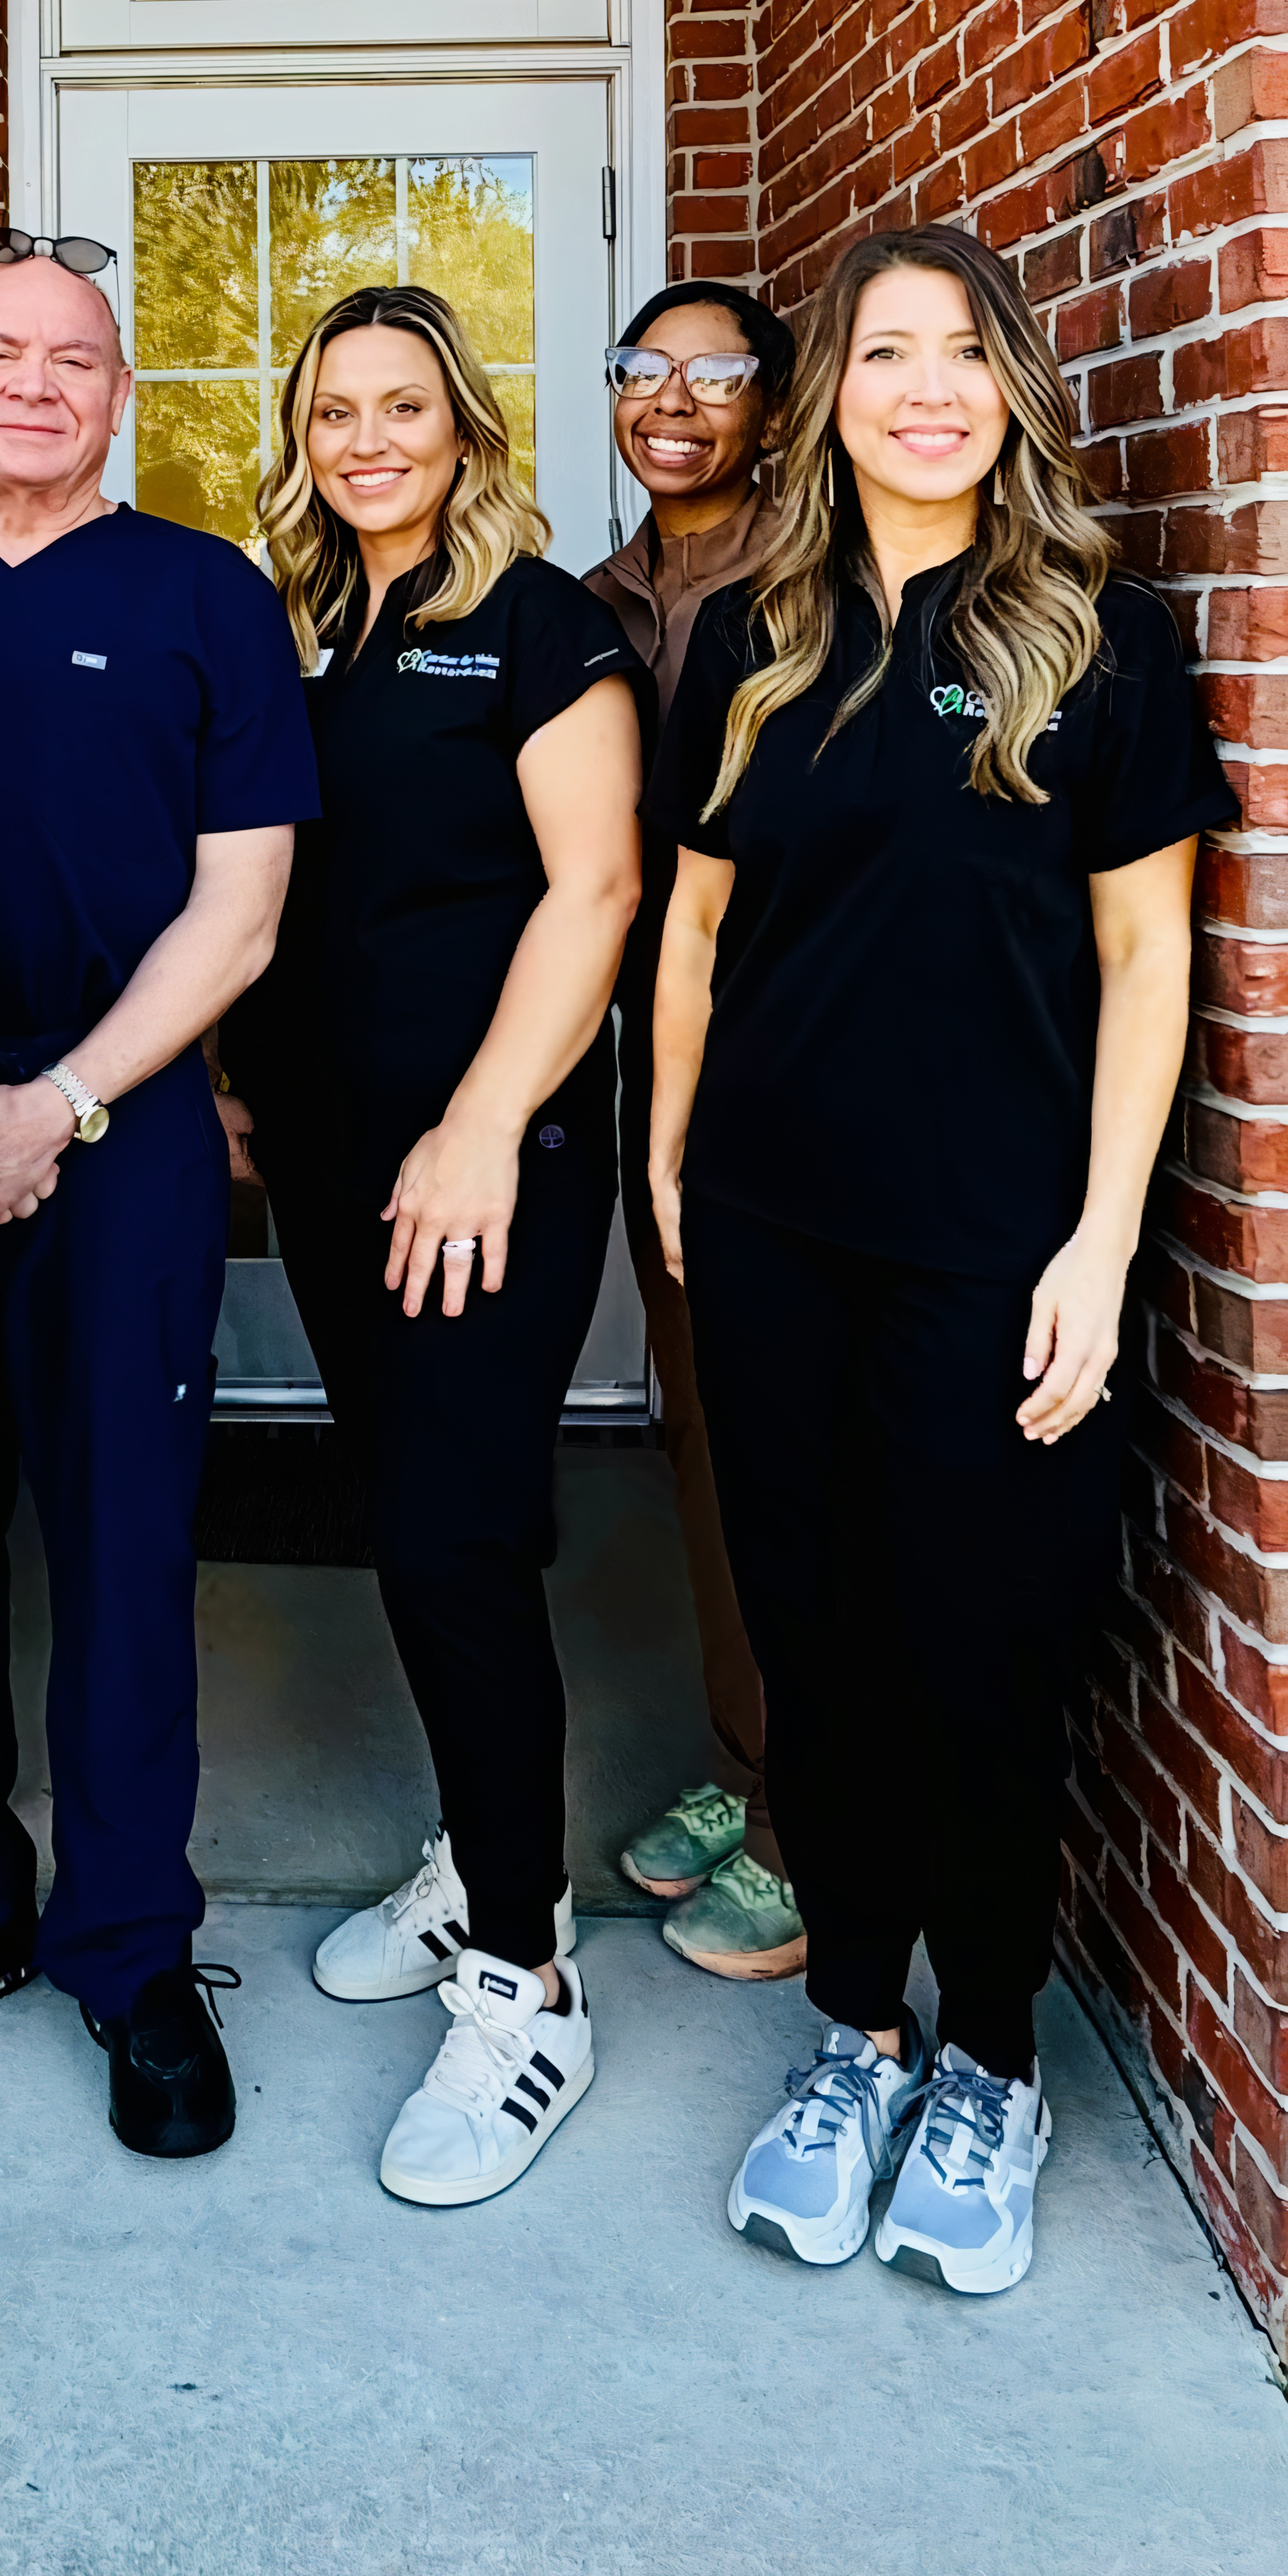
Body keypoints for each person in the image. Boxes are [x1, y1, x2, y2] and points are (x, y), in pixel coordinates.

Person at [650, 224, 1233, 2298]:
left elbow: (1149, 956)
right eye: (882, 352)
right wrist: (668, 1160)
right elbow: (698, 929)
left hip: (1000, 1248)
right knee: (820, 1655)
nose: (921, 387)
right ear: (830, 398)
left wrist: (1101, 1239)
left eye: (958, 354)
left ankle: (992, 2059)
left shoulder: (1101, 635)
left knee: (984, 1655)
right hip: (781, 1228)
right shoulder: (759, 637)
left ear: (1011, 391)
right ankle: (858, 2031)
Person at [0, 240, 315, 2160]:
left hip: (127, 1134)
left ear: (119, 399)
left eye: (73, 359)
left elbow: (237, 911)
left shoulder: (203, 597)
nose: (33, 383)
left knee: (121, 1543)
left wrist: (61, 1103)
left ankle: (127, 1944)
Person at [227, 283, 641, 2211]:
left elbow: (598, 887)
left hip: (491, 1156)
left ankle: (528, 1982)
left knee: (458, 1530)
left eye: (405, 407)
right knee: (404, 1511)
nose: (368, 441)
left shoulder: (542, 626)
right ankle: (489, 1854)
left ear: (466, 428)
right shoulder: (304, 627)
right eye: (336, 412)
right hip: (327, 1157)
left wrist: (480, 1124)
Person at [582, 283, 808, 1984]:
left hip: (797, 1065)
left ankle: (819, 1826)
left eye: (713, 372)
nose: (672, 399)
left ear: (773, 402)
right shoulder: (597, 606)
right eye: (642, 368)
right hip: (647, 1071)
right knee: (705, 1433)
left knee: (803, 1449)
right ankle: (756, 1767)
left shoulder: (813, 591)